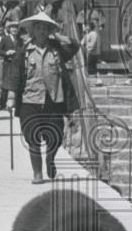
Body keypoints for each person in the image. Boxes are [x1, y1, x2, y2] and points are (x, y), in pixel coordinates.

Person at [6, 12, 80, 184]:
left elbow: (75, 45)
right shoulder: (23, 52)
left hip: (54, 100)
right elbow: (15, 75)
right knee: (32, 137)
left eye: (45, 28)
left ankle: (50, 158)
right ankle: (37, 174)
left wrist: (57, 35)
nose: (41, 31)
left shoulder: (58, 49)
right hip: (30, 100)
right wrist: (11, 96)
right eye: (38, 28)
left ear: (49, 31)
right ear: (32, 31)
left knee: (55, 138)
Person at [0, 19, 20, 109]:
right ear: (9, 29)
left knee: (16, 83)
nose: (14, 30)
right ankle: (2, 105)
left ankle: (15, 104)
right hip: (7, 64)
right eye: (12, 28)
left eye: (16, 28)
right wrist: (7, 53)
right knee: (5, 84)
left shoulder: (19, 40)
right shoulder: (5, 39)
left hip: (16, 64)